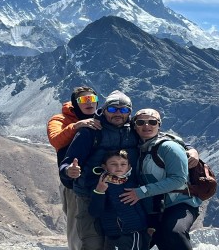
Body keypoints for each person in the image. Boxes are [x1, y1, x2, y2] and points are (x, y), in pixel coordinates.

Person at [59, 90, 139, 250]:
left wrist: (188, 148)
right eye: (112, 109)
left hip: (123, 197)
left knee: (121, 244)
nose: (118, 113)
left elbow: (157, 137)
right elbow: (66, 164)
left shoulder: (135, 131)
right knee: (92, 243)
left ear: (130, 112)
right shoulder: (90, 131)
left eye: (123, 110)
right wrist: (69, 171)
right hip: (89, 196)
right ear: (104, 109)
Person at [120, 108, 202, 250]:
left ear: (159, 125)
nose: (147, 126)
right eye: (141, 122)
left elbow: (178, 179)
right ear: (134, 126)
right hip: (154, 208)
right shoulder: (138, 148)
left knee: (174, 234)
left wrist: (141, 192)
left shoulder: (169, 147)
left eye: (152, 122)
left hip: (179, 204)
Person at [47, 86, 101, 250]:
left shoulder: (100, 119)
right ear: (75, 103)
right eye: (84, 100)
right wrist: (77, 126)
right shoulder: (59, 119)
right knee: (77, 227)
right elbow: (56, 140)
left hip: (98, 183)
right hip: (72, 182)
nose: (89, 103)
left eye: (92, 99)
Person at [88, 149, 152, 250]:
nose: (119, 167)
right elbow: (95, 212)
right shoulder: (100, 185)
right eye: (113, 164)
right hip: (112, 234)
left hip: (135, 232)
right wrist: (99, 191)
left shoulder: (135, 183)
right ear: (104, 167)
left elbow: (149, 198)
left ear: (129, 167)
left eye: (123, 164)